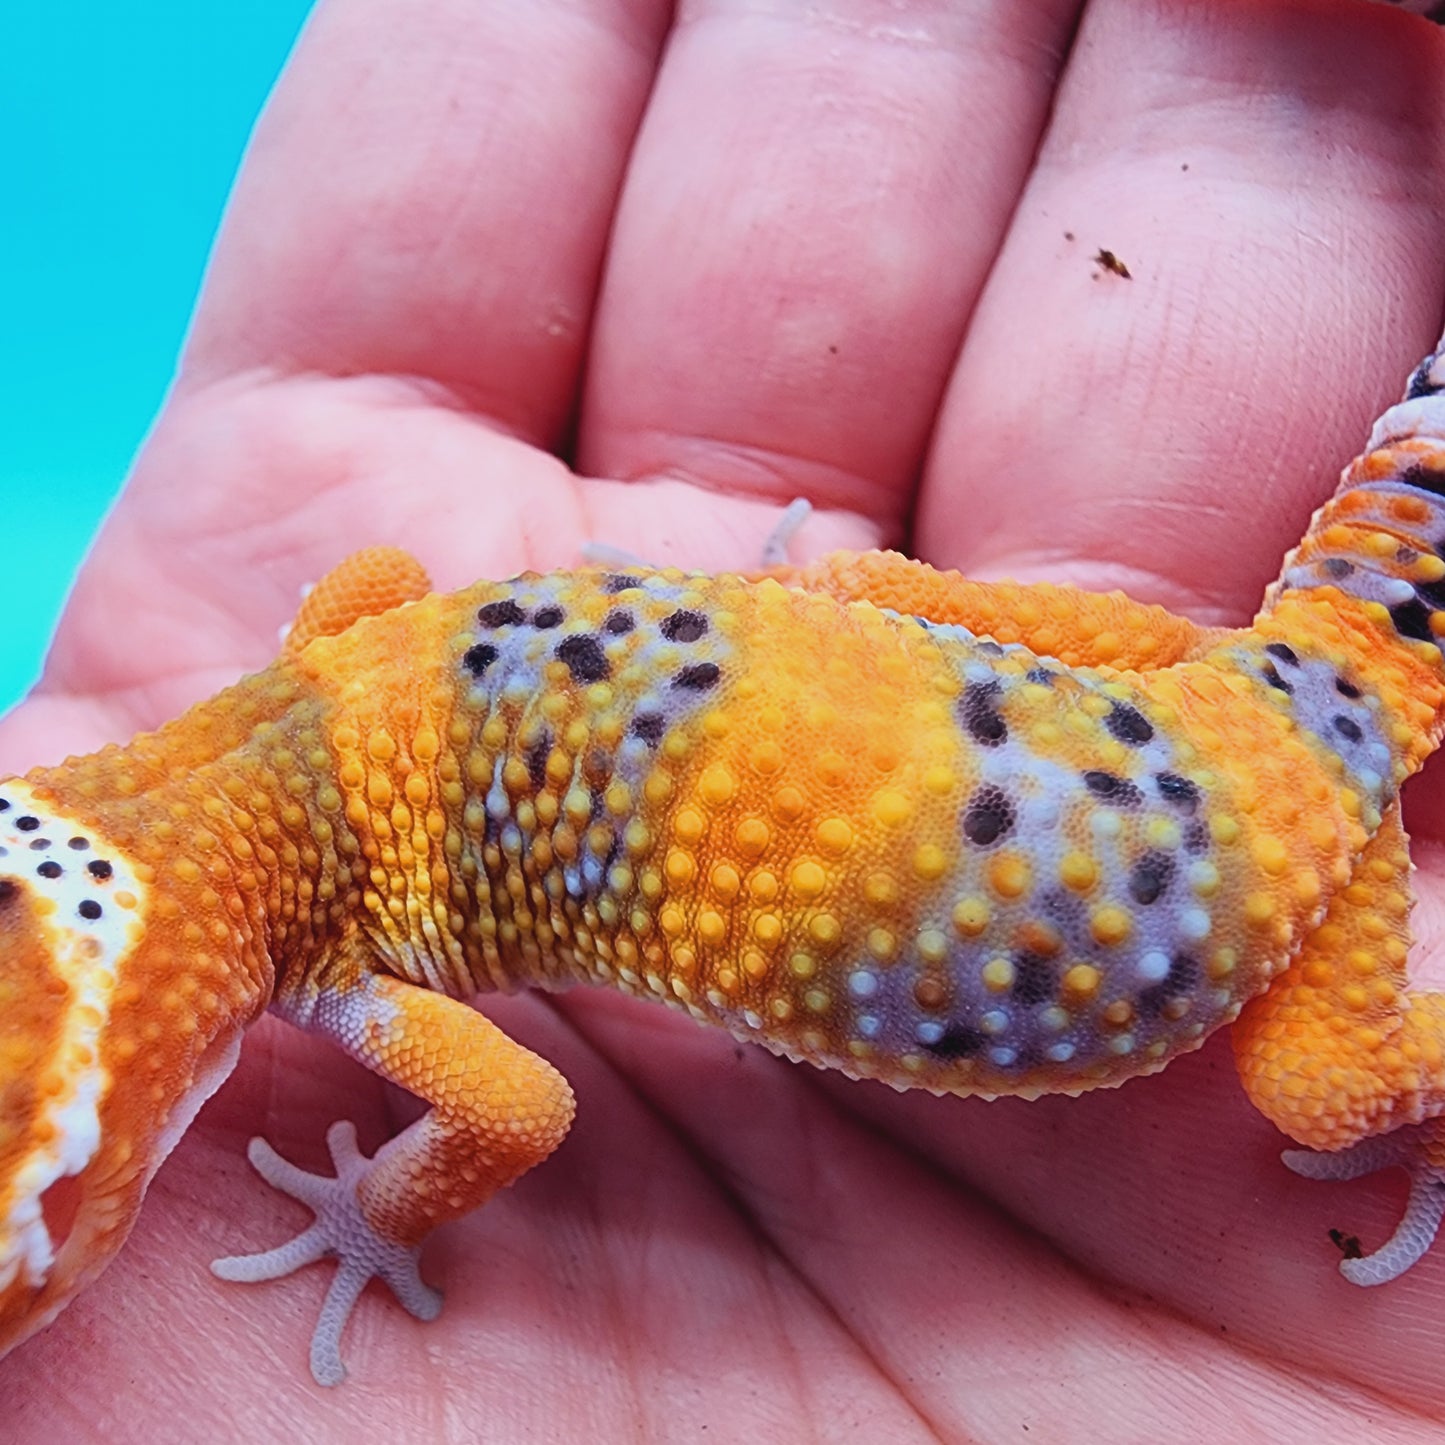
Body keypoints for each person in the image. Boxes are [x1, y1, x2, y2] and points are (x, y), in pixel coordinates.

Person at [4, 1, 1445, 1436]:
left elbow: (515, 1112)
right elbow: (375, 583)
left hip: (1288, 816)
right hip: (1190, 701)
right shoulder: (311, 679)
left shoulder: (337, 970)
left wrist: (377, 1212)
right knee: (875, 595)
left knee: (1324, 1085)